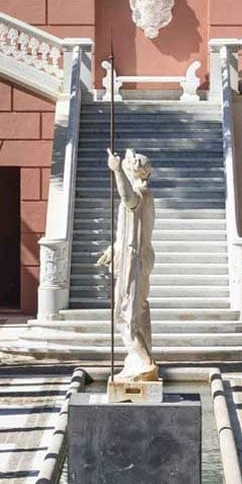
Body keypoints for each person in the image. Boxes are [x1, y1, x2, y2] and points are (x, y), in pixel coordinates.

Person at [96, 148, 158, 381]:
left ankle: (144, 363)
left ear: (133, 171)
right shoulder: (146, 194)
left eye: (126, 166)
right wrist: (115, 247)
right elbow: (133, 227)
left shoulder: (140, 193)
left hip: (133, 261)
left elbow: (128, 200)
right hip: (132, 255)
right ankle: (136, 361)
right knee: (137, 311)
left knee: (124, 314)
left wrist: (115, 171)